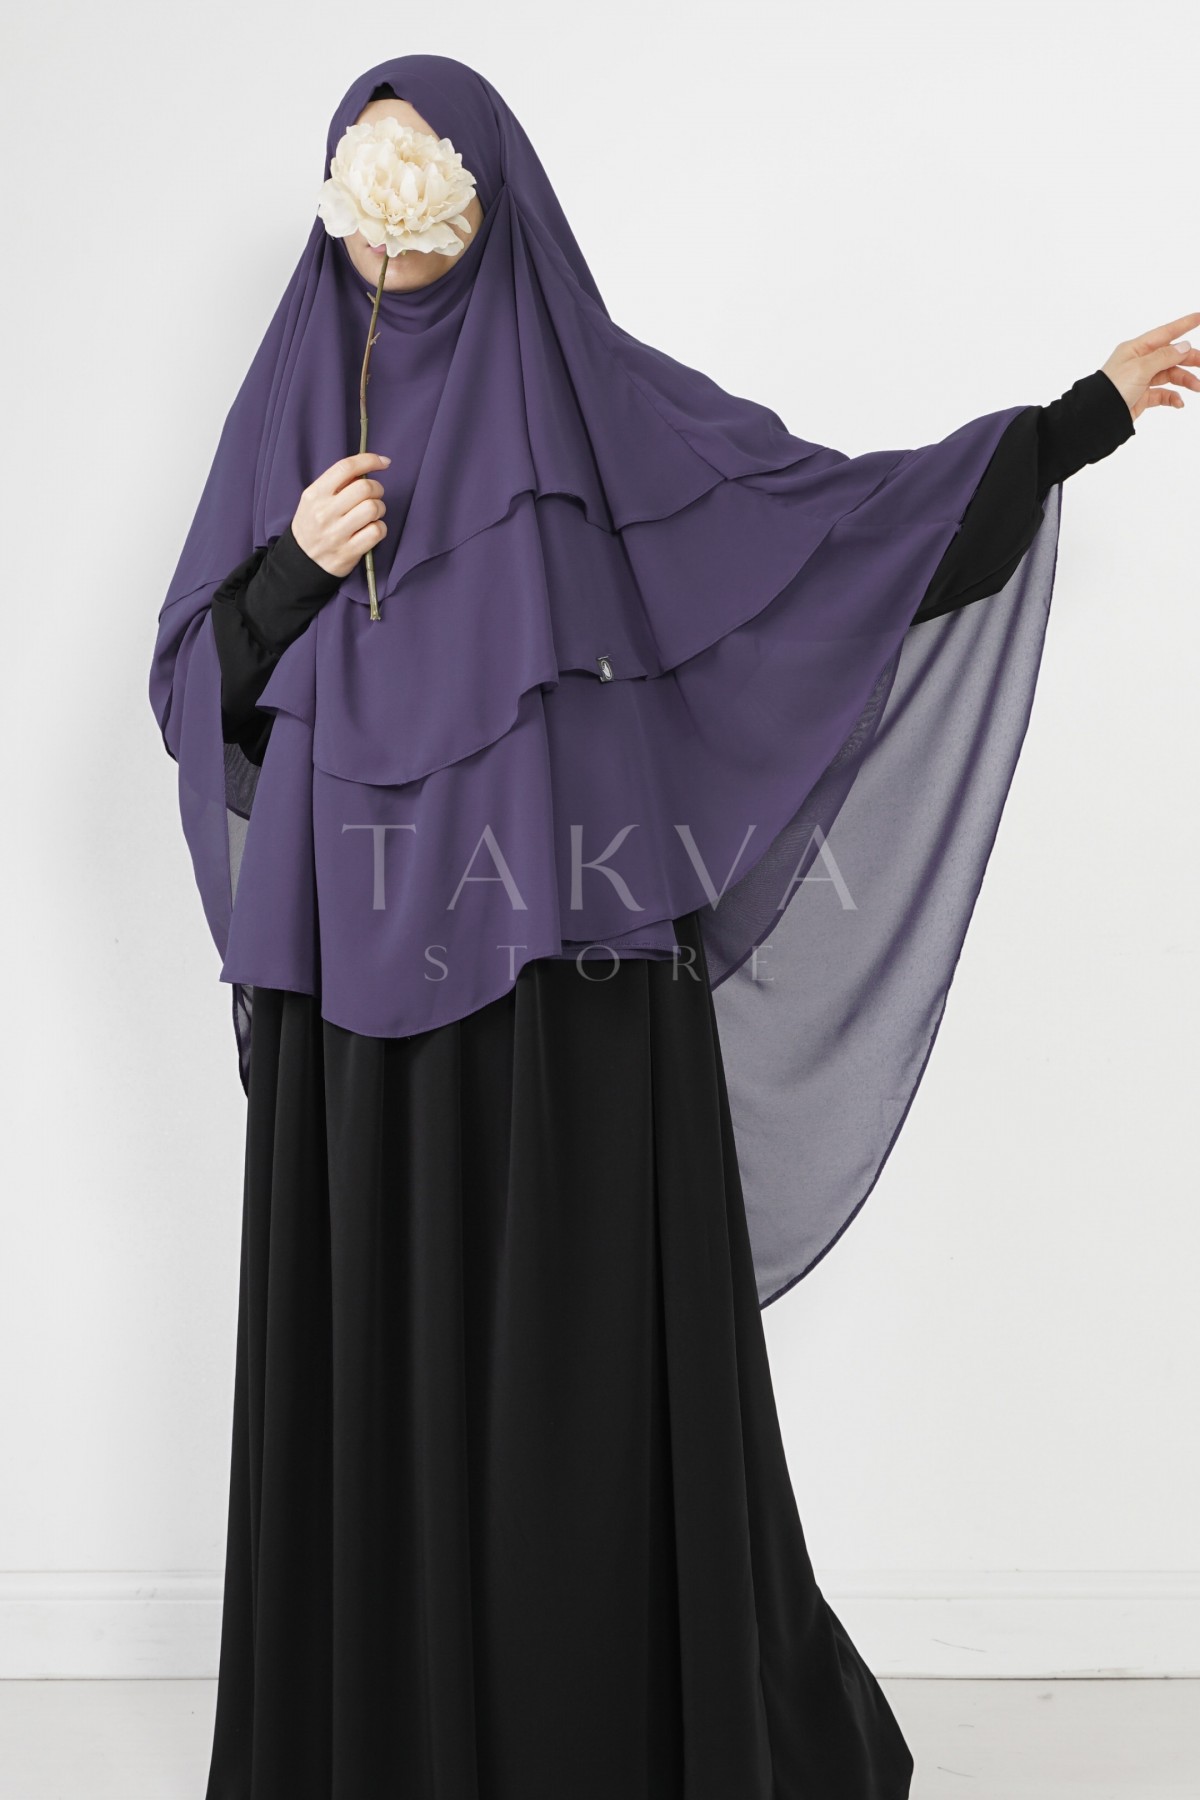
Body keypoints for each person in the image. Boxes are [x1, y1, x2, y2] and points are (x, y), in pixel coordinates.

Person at [148, 53, 1194, 1800]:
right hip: (358, 1015)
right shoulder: (289, 417)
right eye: (362, 203)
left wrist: (1076, 417)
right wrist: (290, 571)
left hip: (576, 1001)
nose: (390, 246)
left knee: (584, 1400)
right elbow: (200, 699)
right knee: (388, 1386)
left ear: (494, 207)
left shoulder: (595, 405)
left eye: (423, 199)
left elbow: (836, 542)